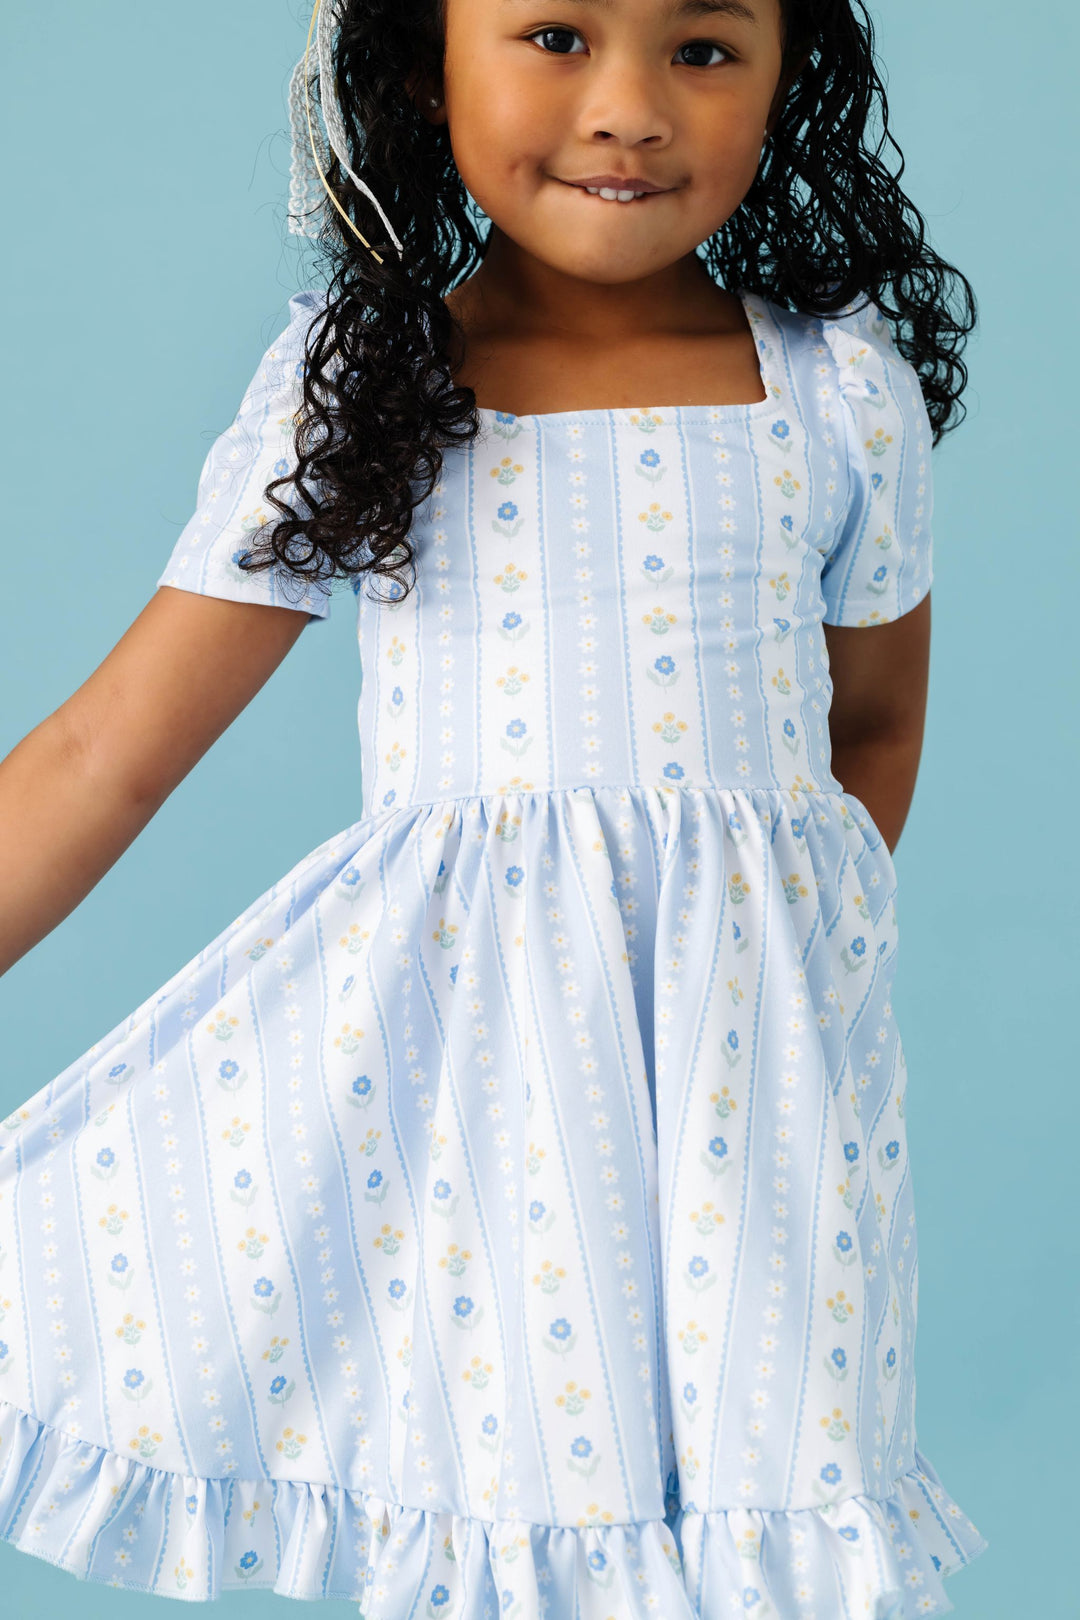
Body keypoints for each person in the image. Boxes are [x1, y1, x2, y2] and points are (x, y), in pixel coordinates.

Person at [0, 0, 990, 1613]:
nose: (629, 108)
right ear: (420, 65)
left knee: (771, 1496)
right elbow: (107, 752)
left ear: (787, 72)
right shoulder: (369, 386)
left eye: (704, 48)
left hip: (766, 1102)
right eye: (554, 34)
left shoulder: (837, 394)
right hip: (477, 1085)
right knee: (526, 1479)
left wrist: (774, 967)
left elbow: (870, 728)